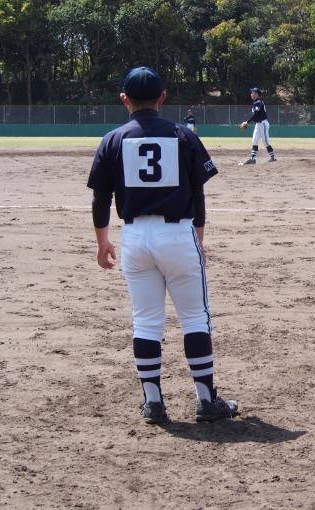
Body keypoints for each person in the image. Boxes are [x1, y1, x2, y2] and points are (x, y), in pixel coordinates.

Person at [87, 66, 238, 424]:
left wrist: (103, 241)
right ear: (163, 98)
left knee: (145, 321)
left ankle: (153, 403)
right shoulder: (183, 135)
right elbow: (198, 194)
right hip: (178, 234)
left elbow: (100, 199)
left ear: (124, 99)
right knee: (194, 317)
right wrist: (198, 240)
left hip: (134, 238)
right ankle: (206, 400)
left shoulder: (112, 139)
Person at [239, 87, 276, 165]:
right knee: (254, 141)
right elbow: (255, 114)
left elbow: (255, 114)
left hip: (263, 123)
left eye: (252, 93)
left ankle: (273, 157)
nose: (251, 94)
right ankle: (253, 159)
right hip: (258, 124)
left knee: (266, 142)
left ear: (256, 94)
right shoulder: (256, 102)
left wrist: (247, 122)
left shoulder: (258, 102)